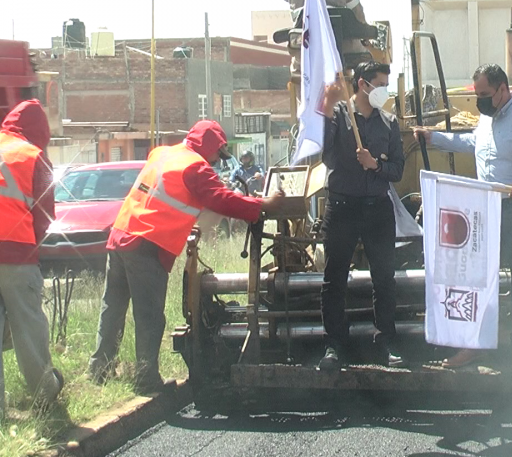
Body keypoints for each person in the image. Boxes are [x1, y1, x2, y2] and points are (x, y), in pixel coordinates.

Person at [88, 120, 285, 393]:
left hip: (121, 235)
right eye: (217, 153)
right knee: (149, 316)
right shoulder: (196, 167)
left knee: (113, 308)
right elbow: (221, 199)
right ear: (210, 148)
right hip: (147, 243)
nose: (217, 160)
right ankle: (146, 380)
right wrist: (264, 204)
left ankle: (99, 371)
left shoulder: (162, 153)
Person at [415, 64, 512, 369]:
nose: (480, 100)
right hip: (487, 211)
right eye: (477, 95)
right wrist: (435, 138)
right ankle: (476, 344)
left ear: (502, 88)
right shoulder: (487, 120)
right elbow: (474, 144)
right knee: (479, 280)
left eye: (485, 94)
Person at [317, 61, 405, 370]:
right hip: (342, 208)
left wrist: (375, 165)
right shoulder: (341, 117)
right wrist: (326, 108)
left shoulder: (389, 122)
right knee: (334, 277)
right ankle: (334, 344)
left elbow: (397, 169)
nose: (384, 90)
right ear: (363, 84)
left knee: (384, 278)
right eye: (380, 84)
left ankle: (386, 342)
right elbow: (326, 154)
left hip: (377, 209)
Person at [0, 99, 64, 416]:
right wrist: (34, 247)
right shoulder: (31, 156)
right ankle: (44, 394)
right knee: (28, 327)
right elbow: (44, 215)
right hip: (16, 254)